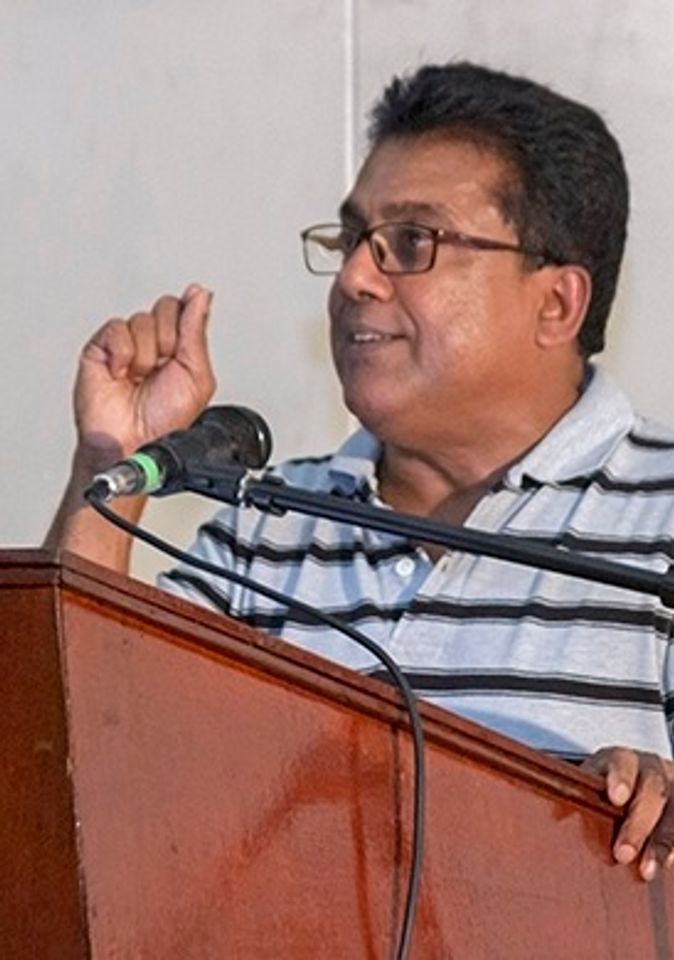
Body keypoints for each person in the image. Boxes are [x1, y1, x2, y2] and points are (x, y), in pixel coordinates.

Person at [45, 61, 674, 881]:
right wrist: (111, 462)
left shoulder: (660, 517)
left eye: (412, 243)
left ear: (556, 303)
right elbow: (83, 762)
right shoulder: (267, 524)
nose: (353, 279)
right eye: (351, 241)